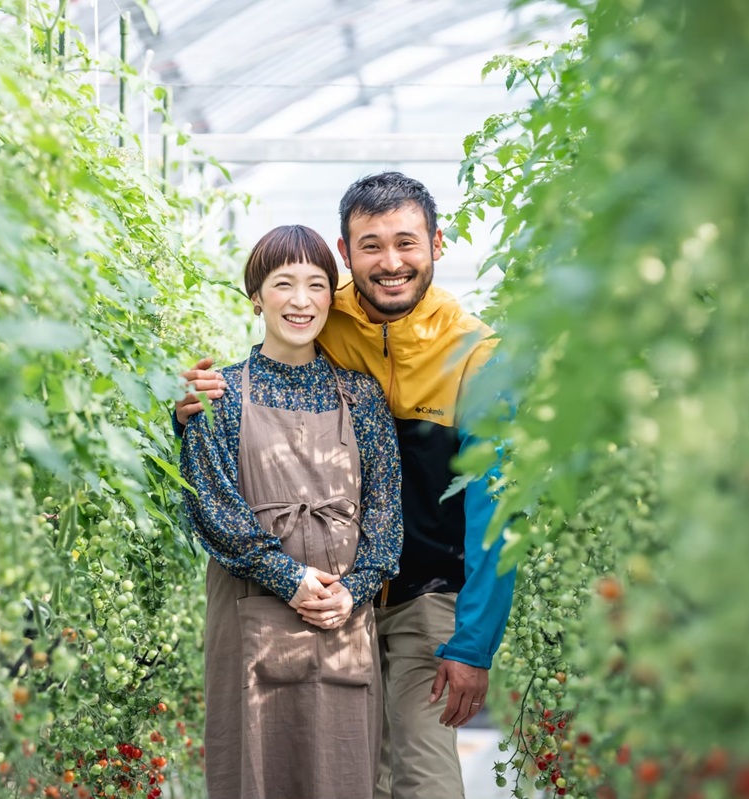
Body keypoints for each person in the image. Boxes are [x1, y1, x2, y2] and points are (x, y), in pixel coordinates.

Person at [176, 173, 516, 799]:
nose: (390, 263)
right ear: (347, 253)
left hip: (421, 591)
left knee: (423, 777)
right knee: (343, 772)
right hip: (309, 603)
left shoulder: (476, 356)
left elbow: (496, 511)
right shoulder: (322, 316)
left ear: (437, 244)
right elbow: (257, 381)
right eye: (371, 246)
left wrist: (473, 644)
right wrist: (188, 407)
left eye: (407, 243)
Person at [179, 224, 404, 799]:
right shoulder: (218, 395)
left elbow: (385, 517)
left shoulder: (361, 396)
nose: (300, 301)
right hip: (250, 609)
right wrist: (290, 578)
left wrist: (351, 591)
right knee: (254, 768)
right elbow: (212, 507)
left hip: (341, 615)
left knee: (342, 770)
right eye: (283, 284)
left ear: (333, 296)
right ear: (256, 296)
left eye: (315, 284)